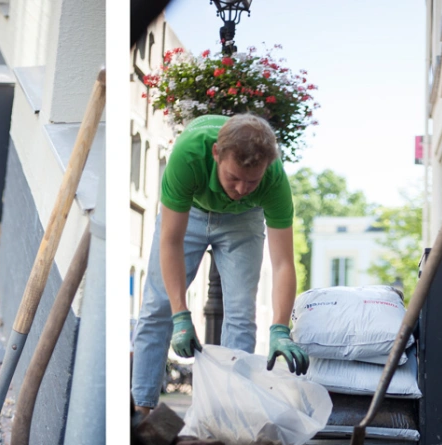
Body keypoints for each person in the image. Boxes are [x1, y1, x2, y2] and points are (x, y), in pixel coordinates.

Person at [131, 113, 310, 417]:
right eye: (233, 177)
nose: (241, 188)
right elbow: (171, 241)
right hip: (192, 215)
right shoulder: (189, 154)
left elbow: (282, 263)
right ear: (216, 154)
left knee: (241, 314)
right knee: (157, 307)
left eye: (251, 181)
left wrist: (281, 328)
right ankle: (142, 412)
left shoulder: (274, 179)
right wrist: (180, 315)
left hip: (243, 220)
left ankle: (230, 415)